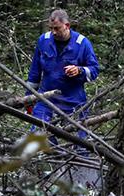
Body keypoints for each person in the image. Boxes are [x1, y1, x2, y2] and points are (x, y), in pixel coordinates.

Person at [26, 9, 100, 147]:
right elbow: (34, 72)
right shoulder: (44, 40)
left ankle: (79, 164)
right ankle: (53, 163)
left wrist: (80, 71)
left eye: (57, 28)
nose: (54, 32)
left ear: (67, 26)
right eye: (51, 28)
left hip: (74, 101)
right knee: (38, 136)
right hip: (46, 99)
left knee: (81, 145)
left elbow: (94, 70)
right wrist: (28, 98)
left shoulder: (82, 43)